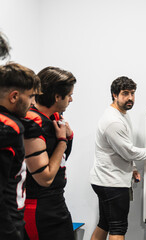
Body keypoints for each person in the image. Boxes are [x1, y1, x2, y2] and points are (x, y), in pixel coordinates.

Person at [89, 76, 146, 240]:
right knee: (118, 227)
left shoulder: (121, 114)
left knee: (105, 223)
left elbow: (121, 149)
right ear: (114, 95)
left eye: (132, 93)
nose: (130, 98)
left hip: (106, 180)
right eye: (125, 93)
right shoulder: (113, 121)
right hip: (111, 182)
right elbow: (129, 152)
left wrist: (132, 168)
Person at [22, 67, 76, 240]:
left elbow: (60, 160)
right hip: (39, 206)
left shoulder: (52, 119)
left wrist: (68, 137)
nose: (71, 99)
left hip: (55, 201)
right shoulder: (33, 122)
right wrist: (62, 142)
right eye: (68, 95)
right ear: (57, 97)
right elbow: (44, 178)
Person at [0, 62, 40, 239]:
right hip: (8, 224)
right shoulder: (9, 128)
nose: (32, 103)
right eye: (31, 96)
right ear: (14, 96)